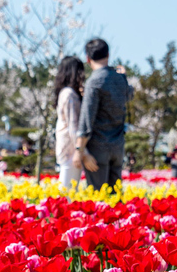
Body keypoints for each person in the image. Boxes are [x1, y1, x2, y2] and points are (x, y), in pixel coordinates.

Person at [75, 38, 134, 191]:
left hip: (98, 148)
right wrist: (124, 76)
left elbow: (87, 119)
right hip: (118, 146)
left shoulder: (94, 81)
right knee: (115, 197)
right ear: (108, 54)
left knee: (99, 197)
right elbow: (129, 94)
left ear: (88, 58)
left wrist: (79, 150)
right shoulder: (120, 79)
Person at [54, 56, 85, 188]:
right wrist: (82, 151)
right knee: (67, 191)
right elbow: (73, 127)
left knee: (68, 190)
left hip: (68, 147)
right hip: (71, 149)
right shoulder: (69, 94)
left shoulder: (67, 92)